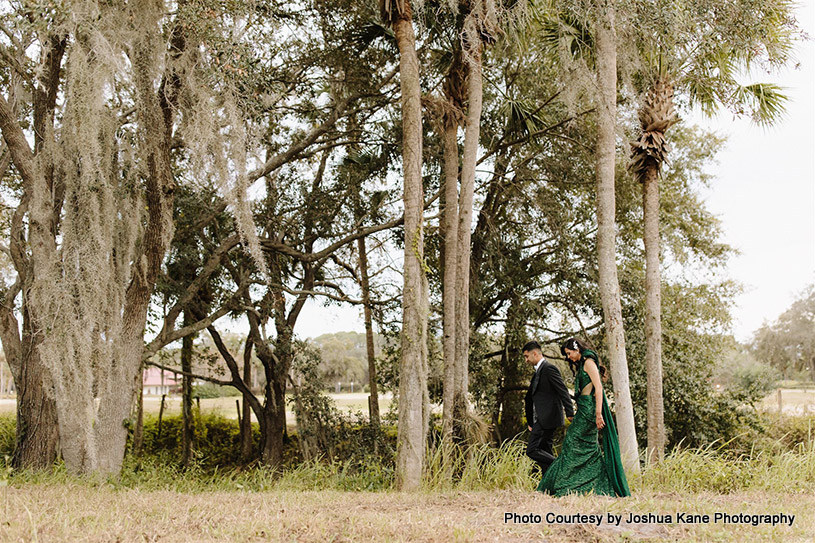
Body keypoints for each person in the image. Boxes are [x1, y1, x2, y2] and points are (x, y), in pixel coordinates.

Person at [538, 338, 631, 497]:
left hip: (589, 411)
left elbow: (599, 388)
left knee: (572, 442)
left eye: (569, 353)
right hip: (583, 408)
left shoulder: (589, 363)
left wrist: (598, 413)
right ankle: (582, 484)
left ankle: (570, 483)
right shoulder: (582, 364)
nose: (568, 357)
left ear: (576, 349)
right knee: (584, 447)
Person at [523, 340, 574, 480]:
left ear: (535, 353)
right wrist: (530, 421)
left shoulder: (549, 369)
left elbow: (563, 390)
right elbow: (531, 398)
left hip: (547, 418)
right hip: (539, 419)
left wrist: (570, 413)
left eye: (527, 356)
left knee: (532, 450)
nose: (526, 360)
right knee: (544, 452)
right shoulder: (538, 371)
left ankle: (560, 465)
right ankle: (549, 486)